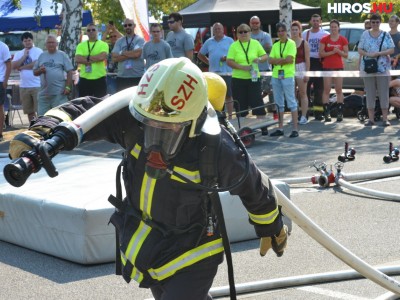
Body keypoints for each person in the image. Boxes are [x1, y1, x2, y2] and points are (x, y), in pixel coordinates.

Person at [9, 57, 288, 300]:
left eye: (167, 130)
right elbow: (85, 113)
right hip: (151, 244)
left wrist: (270, 226)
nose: (154, 139)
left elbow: (253, 185)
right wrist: (42, 131)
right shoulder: (134, 120)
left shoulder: (217, 149)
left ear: (192, 125)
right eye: (149, 127)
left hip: (193, 252)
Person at [358, 13, 394, 126]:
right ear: (370, 23)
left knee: (384, 93)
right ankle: (371, 119)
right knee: (370, 94)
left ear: (380, 22)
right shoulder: (365, 34)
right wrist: (368, 54)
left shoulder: (385, 34)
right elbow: (360, 49)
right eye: (373, 22)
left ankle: (385, 119)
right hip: (368, 68)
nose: (375, 24)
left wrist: (379, 53)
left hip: (383, 68)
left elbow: (392, 49)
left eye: (377, 22)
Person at [226, 23, 268, 121]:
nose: (243, 33)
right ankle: (243, 130)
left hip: (253, 78)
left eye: (246, 31)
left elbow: (265, 56)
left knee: (257, 102)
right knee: (241, 105)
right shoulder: (234, 45)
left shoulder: (255, 43)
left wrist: (259, 59)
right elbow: (229, 61)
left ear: (250, 33)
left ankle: (262, 127)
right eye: (240, 32)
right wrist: (241, 67)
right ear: (237, 34)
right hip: (238, 79)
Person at [268, 23, 299, 138]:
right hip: (276, 75)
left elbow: (290, 59)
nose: (281, 33)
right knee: (278, 103)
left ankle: (295, 129)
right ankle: (280, 128)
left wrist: (277, 60)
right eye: (279, 31)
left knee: (291, 101)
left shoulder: (291, 44)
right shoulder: (276, 45)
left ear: (286, 32)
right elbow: (270, 60)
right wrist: (281, 60)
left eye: (283, 31)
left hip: (287, 75)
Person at [198, 22, 234, 118]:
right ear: (213, 31)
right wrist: (209, 62)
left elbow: (236, 54)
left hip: (227, 72)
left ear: (223, 30)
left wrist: (227, 58)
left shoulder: (230, 40)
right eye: (215, 29)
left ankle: (230, 116)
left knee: (228, 96)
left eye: (219, 29)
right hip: (213, 74)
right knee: (214, 96)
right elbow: (200, 54)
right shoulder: (209, 41)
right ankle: (216, 116)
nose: (217, 30)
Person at [33, 34, 74, 116]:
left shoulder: (62, 55)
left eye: (52, 42)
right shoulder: (42, 56)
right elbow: (34, 72)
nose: (51, 44)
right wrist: (40, 70)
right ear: (45, 45)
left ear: (56, 44)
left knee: (59, 116)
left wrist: (68, 87)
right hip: (44, 94)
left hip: (59, 93)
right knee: (42, 117)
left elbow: (70, 71)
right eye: (48, 43)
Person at [319, 19, 349, 122]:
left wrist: (338, 52)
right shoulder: (325, 39)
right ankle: (327, 113)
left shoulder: (343, 39)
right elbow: (321, 53)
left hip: (338, 66)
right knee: (326, 89)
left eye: (335, 27)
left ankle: (340, 112)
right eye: (331, 27)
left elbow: (346, 55)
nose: (333, 29)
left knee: (339, 89)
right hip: (327, 66)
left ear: (338, 28)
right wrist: (332, 52)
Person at [11, 32, 43, 122]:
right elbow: (13, 66)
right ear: (22, 42)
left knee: (40, 110)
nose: (28, 42)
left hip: (37, 85)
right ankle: (32, 127)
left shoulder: (38, 51)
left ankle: (41, 127)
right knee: (29, 111)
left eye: (29, 40)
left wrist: (21, 67)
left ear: (32, 40)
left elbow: (36, 64)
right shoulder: (19, 53)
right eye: (25, 41)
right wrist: (24, 56)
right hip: (24, 86)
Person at [302, 14, 328, 121]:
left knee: (319, 89)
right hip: (307, 62)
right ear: (310, 21)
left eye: (317, 20)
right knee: (305, 89)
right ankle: (305, 112)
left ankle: (318, 112)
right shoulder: (305, 34)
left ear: (320, 22)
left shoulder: (325, 34)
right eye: (314, 20)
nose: (316, 22)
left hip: (319, 62)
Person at [75, 23, 109, 98]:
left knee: (101, 103)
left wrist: (85, 58)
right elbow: (77, 59)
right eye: (89, 30)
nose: (91, 31)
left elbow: (102, 57)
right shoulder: (81, 45)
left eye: (93, 30)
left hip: (99, 79)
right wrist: (95, 58)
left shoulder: (103, 44)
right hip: (85, 79)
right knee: (84, 104)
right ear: (86, 32)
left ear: (97, 31)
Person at [112, 18, 145, 92]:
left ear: (134, 26)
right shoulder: (119, 41)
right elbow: (114, 57)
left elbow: (137, 54)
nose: (127, 27)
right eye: (125, 25)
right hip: (122, 77)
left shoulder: (140, 40)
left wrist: (122, 53)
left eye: (130, 25)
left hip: (137, 76)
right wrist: (131, 53)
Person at [291, 21, 310, 125]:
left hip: (301, 67)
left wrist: (307, 73)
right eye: (292, 29)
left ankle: (303, 116)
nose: (294, 31)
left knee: (303, 93)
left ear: (299, 31)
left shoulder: (304, 43)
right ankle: (294, 115)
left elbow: (307, 60)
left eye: (296, 29)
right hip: (290, 68)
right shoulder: (288, 42)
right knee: (291, 94)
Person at [249, 16, 273, 99]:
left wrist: (255, 50)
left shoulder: (266, 35)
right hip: (253, 69)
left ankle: (272, 109)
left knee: (269, 89)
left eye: (257, 23)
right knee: (255, 89)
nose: (255, 24)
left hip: (266, 68)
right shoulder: (248, 36)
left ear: (260, 23)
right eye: (253, 23)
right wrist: (262, 49)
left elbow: (269, 50)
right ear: (250, 24)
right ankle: (257, 105)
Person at [102, 22, 123, 95]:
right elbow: (101, 42)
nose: (113, 38)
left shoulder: (122, 46)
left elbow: (124, 38)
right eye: (111, 37)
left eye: (115, 36)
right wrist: (107, 31)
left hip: (121, 75)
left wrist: (115, 29)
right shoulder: (107, 46)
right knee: (112, 96)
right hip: (110, 76)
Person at [0, 40, 11, 141]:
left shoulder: (3, 46)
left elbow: (8, 64)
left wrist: (5, 80)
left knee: (0, 107)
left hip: (0, 80)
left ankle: (0, 133)